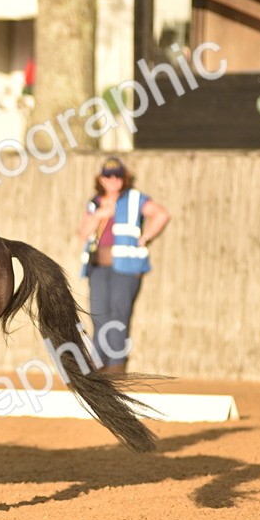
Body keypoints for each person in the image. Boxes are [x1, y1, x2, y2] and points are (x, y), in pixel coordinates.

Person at [76, 156, 170, 373]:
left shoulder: (135, 198)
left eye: (118, 175)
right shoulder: (95, 202)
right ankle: (97, 365)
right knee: (99, 314)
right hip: (98, 267)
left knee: (119, 315)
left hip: (126, 269)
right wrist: (101, 214)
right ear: (101, 179)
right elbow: (82, 232)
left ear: (124, 178)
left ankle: (116, 368)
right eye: (108, 176)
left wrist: (146, 237)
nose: (113, 180)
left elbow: (162, 215)